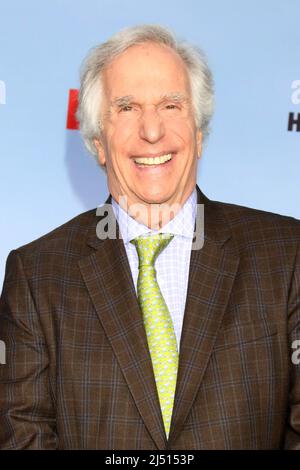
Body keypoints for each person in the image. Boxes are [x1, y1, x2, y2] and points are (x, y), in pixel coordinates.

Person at [0, 24, 299, 450]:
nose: (152, 131)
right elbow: (22, 436)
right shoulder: (37, 276)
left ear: (198, 133)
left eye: (171, 106)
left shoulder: (287, 256)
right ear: (98, 142)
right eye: (127, 108)